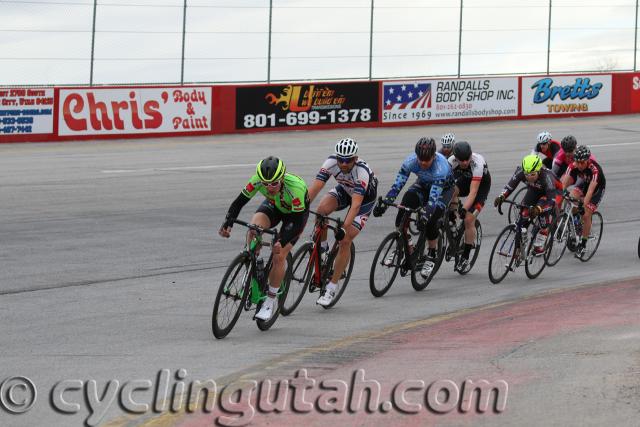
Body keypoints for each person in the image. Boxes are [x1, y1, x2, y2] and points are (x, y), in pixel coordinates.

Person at [219, 156, 309, 321]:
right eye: (265, 183)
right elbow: (239, 203)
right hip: (274, 206)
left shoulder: (296, 188)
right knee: (253, 230)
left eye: (274, 183)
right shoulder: (257, 181)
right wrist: (228, 223)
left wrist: (281, 242)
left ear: (281, 178)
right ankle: (254, 262)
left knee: (278, 255)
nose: (269, 187)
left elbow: (296, 224)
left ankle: (270, 300)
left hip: (295, 216)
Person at [306, 137, 378, 306]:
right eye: (341, 160)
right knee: (321, 212)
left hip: (363, 200)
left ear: (355, 158)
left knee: (344, 240)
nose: (344, 164)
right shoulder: (331, 162)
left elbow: (356, 205)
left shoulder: (362, 172)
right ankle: (323, 252)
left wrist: (344, 229)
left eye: (348, 160)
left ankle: (331, 288)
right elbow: (315, 188)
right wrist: (300, 208)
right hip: (345, 190)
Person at [373, 137, 454, 277]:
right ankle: (405, 245)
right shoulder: (410, 161)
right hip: (422, 185)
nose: (422, 163)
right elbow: (398, 185)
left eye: (426, 160)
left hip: (443, 191)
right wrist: (385, 203)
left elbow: (433, 199)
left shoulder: (441, 168)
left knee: (430, 221)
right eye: (420, 159)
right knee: (403, 211)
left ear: (434, 156)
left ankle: (432, 254)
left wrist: (426, 216)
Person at [494, 154, 562, 254]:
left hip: (553, 192)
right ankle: (521, 245)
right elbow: (509, 186)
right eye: (527, 174)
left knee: (541, 211)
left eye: (532, 174)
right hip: (535, 189)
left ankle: (541, 241)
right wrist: (502, 196)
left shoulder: (547, 177)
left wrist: (539, 209)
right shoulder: (521, 171)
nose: (529, 177)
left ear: (539, 171)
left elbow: (551, 202)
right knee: (523, 215)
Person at [447, 141, 491, 271]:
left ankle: (465, 257)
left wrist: (465, 209)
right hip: (465, 180)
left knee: (468, 219)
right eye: (462, 160)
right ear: (455, 158)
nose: (465, 162)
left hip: (481, 187)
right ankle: (452, 221)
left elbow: (473, 192)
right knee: (451, 190)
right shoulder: (451, 161)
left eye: (467, 159)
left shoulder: (477, 163)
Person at [560, 145, 606, 258]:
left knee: (586, 214)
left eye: (582, 162)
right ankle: (577, 225)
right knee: (571, 198)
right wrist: (560, 194)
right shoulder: (573, 165)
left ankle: (583, 244)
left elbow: (590, 192)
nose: (579, 165)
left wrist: (583, 205)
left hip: (596, 189)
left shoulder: (595, 170)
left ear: (588, 160)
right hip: (584, 183)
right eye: (577, 162)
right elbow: (564, 183)